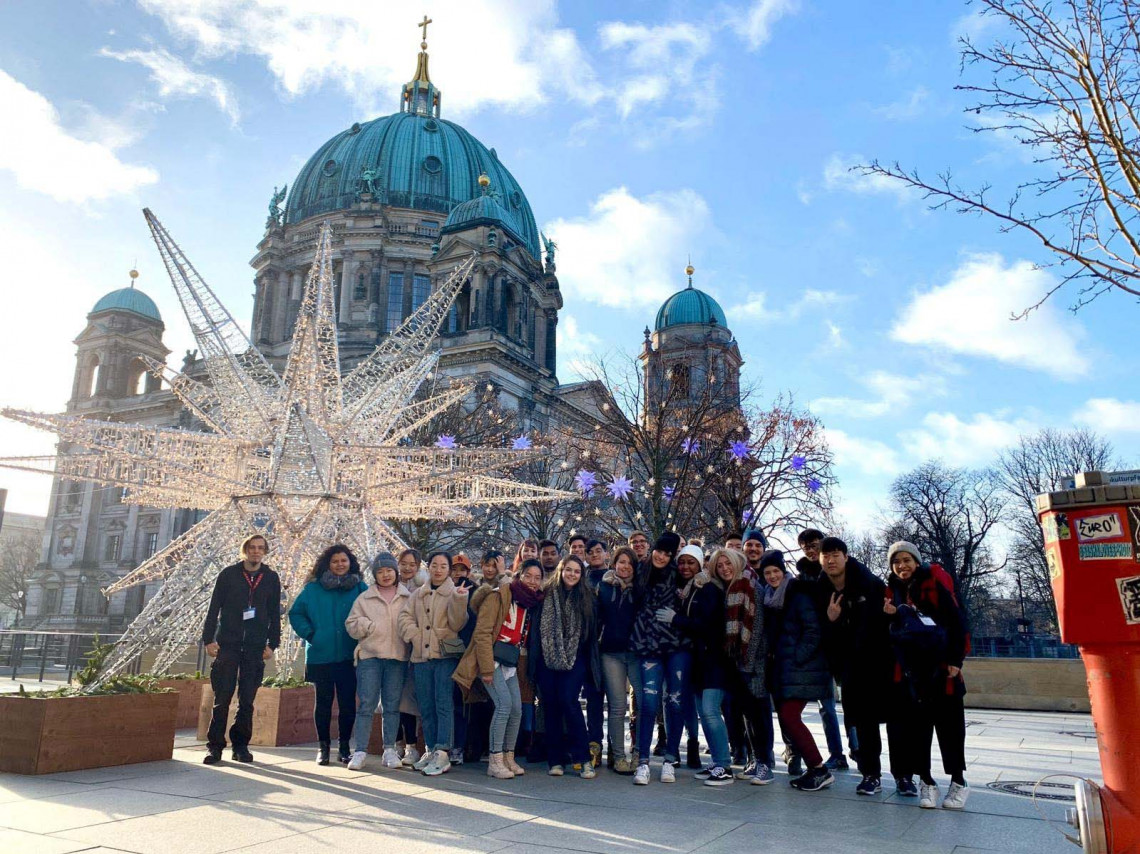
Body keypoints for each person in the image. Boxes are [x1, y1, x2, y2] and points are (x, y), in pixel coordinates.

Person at [883, 541, 970, 810]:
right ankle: (926, 781)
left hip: (943, 671)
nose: (902, 566)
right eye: (896, 561)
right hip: (912, 675)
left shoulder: (934, 585)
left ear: (917, 561)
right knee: (919, 731)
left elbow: (957, 622)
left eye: (907, 559)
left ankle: (958, 781)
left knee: (951, 730)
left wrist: (956, 660)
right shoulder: (891, 591)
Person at [454, 559, 545, 779]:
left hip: (510, 660)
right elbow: (483, 633)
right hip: (491, 660)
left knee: (517, 709)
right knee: (503, 705)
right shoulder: (498, 596)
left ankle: (508, 756)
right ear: (518, 575)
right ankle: (494, 760)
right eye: (528, 576)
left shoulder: (530, 603)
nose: (532, 581)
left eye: (537, 577)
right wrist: (485, 669)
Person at [817, 536, 893, 796]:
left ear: (846, 557)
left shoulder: (869, 583)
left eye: (836, 554)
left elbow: (882, 625)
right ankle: (869, 772)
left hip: (875, 663)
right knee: (858, 721)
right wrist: (831, 620)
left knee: (876, 721)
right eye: (826, 555)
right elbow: (824, 633)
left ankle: (892, 775)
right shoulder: (821, 589)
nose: (831, 559)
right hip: (847, 667)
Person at [201, 534, 281, 765]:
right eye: (252, 548)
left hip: (255, 646)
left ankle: (241, 745)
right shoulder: (229, 575)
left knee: (247, 699)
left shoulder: (270, 578)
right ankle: (215, 747)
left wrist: (272, 643)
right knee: (222, 698)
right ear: (244, 550)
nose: (256, 552)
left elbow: (275, 613)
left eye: (260, 548)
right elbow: (214, 607)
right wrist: (208, 639)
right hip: (229, 643)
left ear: (264, 552)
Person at [762, 547, 835, 793]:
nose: (772, 576)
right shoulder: (771, 598)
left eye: (775, 571)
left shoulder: (797, 595)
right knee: (788, 718)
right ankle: (814, 768)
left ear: (784, 572)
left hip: (802, 668)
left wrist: (797, 657)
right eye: (767, 573)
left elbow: (813, 631)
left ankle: (819, 768)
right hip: (787, 669)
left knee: (790, 717)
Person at [288, 544, 368, 765]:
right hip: (320, 655)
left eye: (344, 561)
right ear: (327, 564)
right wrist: (310, 634)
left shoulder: (360, 588)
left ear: (350, 562)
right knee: (323, 702)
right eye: (335, 561)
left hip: (349, 655)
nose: (340, 565)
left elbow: (372, 612)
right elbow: (296, 613)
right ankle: (323, 747)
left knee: (347, 703)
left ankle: (344, 747)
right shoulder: (313, 589)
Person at [666, 546, 737, 786]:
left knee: (710, 711)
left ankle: (725, 766)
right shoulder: (689, 589)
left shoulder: (708, 589)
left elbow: (708, 624)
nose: (686, 566)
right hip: (699, 660)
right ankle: (717, 762)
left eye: (691, 563)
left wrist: (676, 619)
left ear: (700, 565)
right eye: (682, 562)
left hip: (714, 659)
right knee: (703, 713)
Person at [398, 551, 470, 776]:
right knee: (426, 704)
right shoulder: (418, 594)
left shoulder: (455, 593)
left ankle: (443, 750)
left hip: (444, 656)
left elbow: (458, 624)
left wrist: (459, 600)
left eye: (443, 566)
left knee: (443, 702)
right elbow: (404, 617)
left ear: (449, 569)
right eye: (435, 565)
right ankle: (430, 748)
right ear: (428, 567)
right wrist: (415, 635)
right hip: (420, 656)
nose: (438, 569)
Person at [528, 554, 601, 778]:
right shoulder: (546, 595)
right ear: (561, 570)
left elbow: (592, 631)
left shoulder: (587, 598)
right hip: (546, 657)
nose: (572, 574)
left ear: (581, 575)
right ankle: (555, 759)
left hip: (575, 657)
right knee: (551, 706)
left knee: (569, 701)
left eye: (576, 571)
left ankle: (583, 758)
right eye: (568, 570)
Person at [790, 527, 855, 773]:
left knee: (849, 702)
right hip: (814, 648)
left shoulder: (838, 572)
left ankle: (856, 748)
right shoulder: (800, 578)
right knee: (825, 705)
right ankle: (837, 753)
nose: (809, 549)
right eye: (805, 545)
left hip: (838, 644)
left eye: (813, 544)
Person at [629, 531, 689, 785]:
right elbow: (621, 578)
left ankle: (669, 760)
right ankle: (642, 762)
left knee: (674, 702)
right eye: (659, 550)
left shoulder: (681, 573)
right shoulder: (640, 570)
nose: (662, 556)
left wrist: (698, 581)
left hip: (676, 645)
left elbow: (703, 574)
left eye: (668, 553)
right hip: (648, 644)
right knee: (648, 703)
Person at [344, 552, 411, 770]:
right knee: (366, 705)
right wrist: (366, 626)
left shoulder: (406, 596)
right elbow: (351, 624)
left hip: (397, 658)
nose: (385, 575)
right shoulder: (365, 597)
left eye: (389, 571)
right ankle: (360, 750)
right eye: (380, 572)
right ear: (375, 575)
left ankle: (389, 749)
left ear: (396, 572)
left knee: (392, 706)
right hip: (370, 657)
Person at [597, 545, 641, 773]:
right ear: (614, 563)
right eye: (621, 562)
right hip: (611, 653)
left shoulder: (640, 588)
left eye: (629, 563)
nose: (625, 567)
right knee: (617, 707)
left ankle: (638, 754)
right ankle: (617, 756)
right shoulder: (603, 587)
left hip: (635, 653)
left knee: (642, 705)